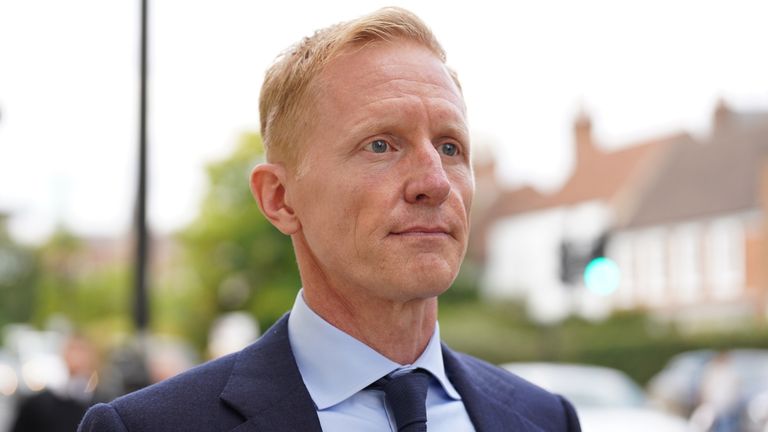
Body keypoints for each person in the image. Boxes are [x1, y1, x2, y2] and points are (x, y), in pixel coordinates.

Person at [78, 7, 581, 432]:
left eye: (450, 147)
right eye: (381, 144)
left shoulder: (544, 418)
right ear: (280, 198)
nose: (435, 181)